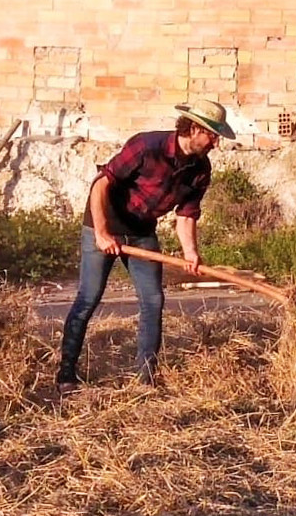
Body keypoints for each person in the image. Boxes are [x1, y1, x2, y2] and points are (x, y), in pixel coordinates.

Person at [56, 99, 236, 390]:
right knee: (89, 297)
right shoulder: (146, 147)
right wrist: (102, 233)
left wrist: (190, 252)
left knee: (153, 300)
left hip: (142, 231)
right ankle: (66, 375)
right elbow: (101, 184)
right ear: (193, 128)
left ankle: (145, 379)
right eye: (212, 135)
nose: (216, 143)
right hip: (105, 222)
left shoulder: (200, 169)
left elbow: (187, 215)